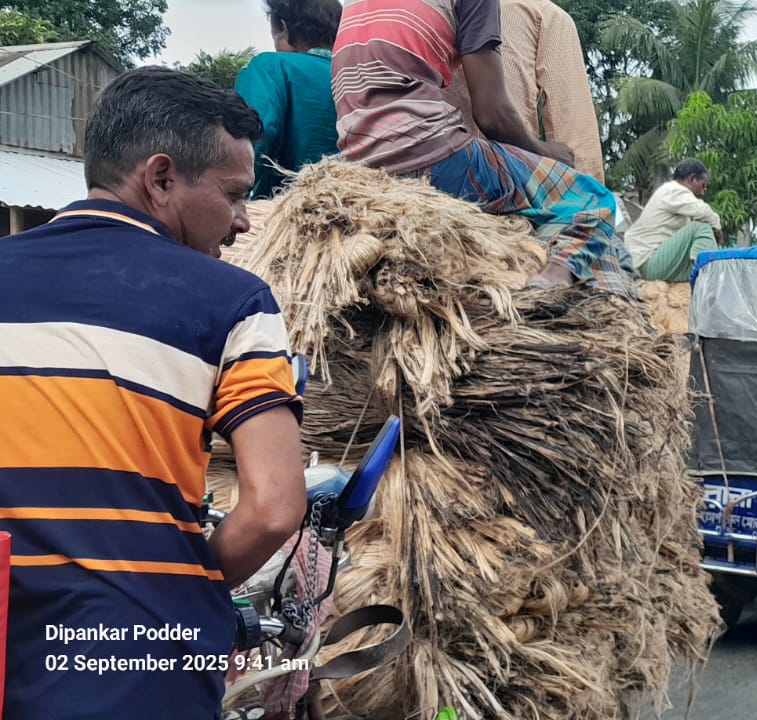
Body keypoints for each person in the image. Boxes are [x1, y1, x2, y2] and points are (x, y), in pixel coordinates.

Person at [0, 67, 307, 718]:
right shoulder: (233, 301)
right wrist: (187, 589)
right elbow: (277, 506)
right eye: (235, 195)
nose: (244, 222)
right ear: (162, 178)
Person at [331, 0, 634, 295]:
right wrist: (547, 152)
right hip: (434, 160)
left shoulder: (357, 5)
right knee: (593, 200)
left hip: (361, 168)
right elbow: (493, 116)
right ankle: (550, 282)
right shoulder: (546, 17)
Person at [442, 0, 604, 181]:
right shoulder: (546, 16)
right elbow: (577, 148)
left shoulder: (431, 10)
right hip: (509, 182)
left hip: (427, 178)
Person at [233, 0, 344, 199]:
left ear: (282, 28)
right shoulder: (359, 75)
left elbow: (250, 144)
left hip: (286, 216)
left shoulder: (270, 68)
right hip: (365, 213)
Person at [624, 159, 725, 283]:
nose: (703, 192)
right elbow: (704, 212)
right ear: (691, 179)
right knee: (701, 227)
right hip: (649, 263)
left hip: (657, 262)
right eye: (703, 186)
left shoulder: (676, 198)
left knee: (698, 243)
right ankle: (709, 277)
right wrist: (718, 229)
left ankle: (705, 277)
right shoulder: (673, 190)